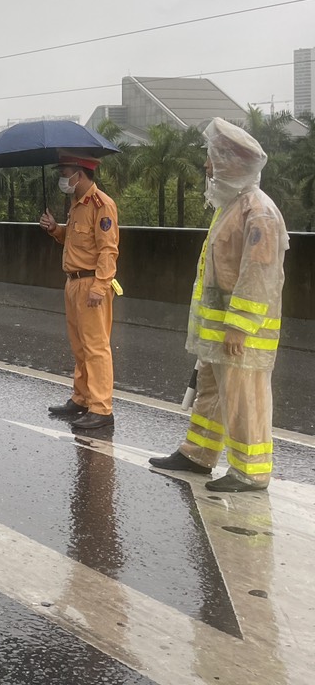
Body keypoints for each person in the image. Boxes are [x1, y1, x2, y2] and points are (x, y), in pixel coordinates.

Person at [149, 118, 289, 492]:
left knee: (245, 399)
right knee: (211, 392)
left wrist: (239, 325)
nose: (208, 167)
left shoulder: (258, 211)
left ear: (232, 163)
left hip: (241, 333)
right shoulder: (232, 205)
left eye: (213, 159)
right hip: (218, 330)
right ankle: (197, 454)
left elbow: (258, 274)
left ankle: (251, 471)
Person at [39, 153, 120, 431]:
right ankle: (82, 397)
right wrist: (55, 230)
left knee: (96, 347)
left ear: (81, 173)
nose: (63, 177)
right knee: (79, 345)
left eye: (65, 172)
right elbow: (75, 241)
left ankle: (101, 408)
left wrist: (100, 286)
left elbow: (108, 250)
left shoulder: (102, 205)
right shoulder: (76, 204)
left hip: (90, 284)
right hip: (73, 282)